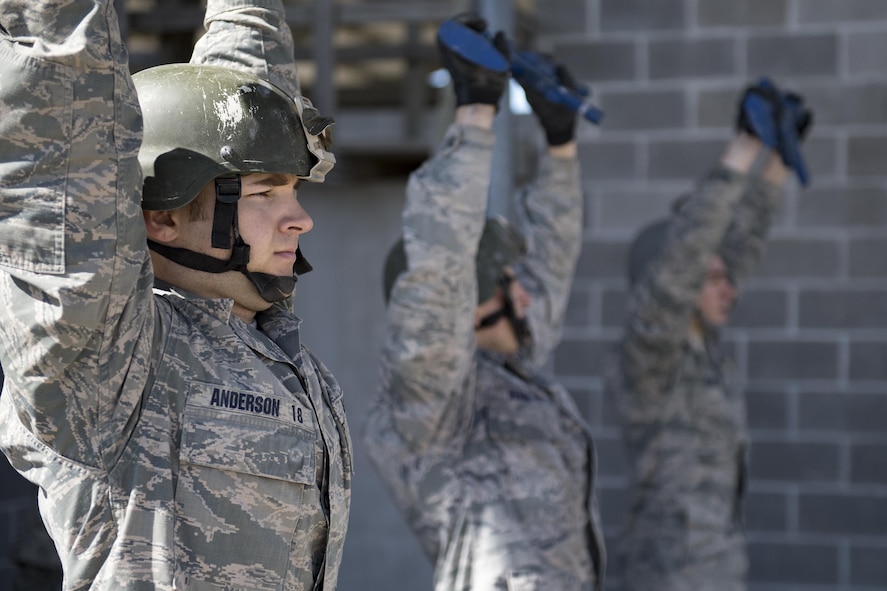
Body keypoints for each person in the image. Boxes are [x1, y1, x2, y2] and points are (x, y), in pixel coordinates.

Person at [0, 0, 352, 589]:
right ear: (162, 217)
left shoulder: (270, 347)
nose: (300, 219)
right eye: (266, 194)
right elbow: (65, 144)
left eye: (294, 190)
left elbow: (237, 99)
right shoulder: (111, 360)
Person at [363, 13, 606, 591]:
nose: (526, 291)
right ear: (467, 307)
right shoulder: (432, 404)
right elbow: (441, 262)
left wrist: (561, 145)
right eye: (507, 281)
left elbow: (553, 254)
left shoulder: (511, 366)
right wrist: (475, 113)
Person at [606, 78, 813, 591]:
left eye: (725, 278)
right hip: (668, 574)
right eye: (713, 280)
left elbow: (739, 245)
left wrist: (779, 160)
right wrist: (744, 146)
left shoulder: (703, 344)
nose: (728, 289)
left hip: (714, 567)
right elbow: (686, 261)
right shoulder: (652, 352)